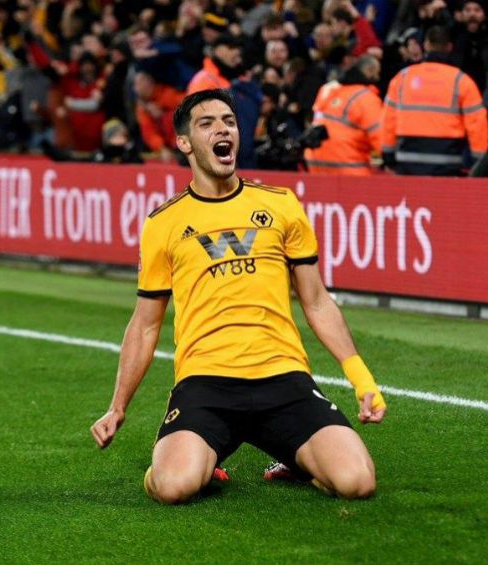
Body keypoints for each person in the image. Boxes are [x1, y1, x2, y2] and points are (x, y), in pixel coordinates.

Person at [90, 89, 387, 504]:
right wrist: (117, 406)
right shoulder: (163, 223)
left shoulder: (281, 205)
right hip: (206, 383)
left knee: (358, 482)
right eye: (206, 123)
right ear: (184, 143)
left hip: (283, 378)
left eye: (228, 121)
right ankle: (202, 461)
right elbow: (145, 324)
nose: (222, 128)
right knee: (173, 486)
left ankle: (295, 459)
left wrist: (361, 379)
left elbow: (317, 302)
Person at [382, 26, 488, 176]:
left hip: (407, 161)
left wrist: (388, 157)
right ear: (449, 47)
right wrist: (479, 163)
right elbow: (477, 124)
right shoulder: (461, 81)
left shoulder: (402, 78)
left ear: (426, 45)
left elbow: (388, 120)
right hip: (447, 163)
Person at [304, 56, 383, 175]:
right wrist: (391, 159)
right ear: (368, 71)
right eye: (377, 72)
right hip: (348, 168)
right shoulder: (365, 98)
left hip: (316, 164)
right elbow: (380, 137)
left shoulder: (327, 90)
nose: (378, 77)